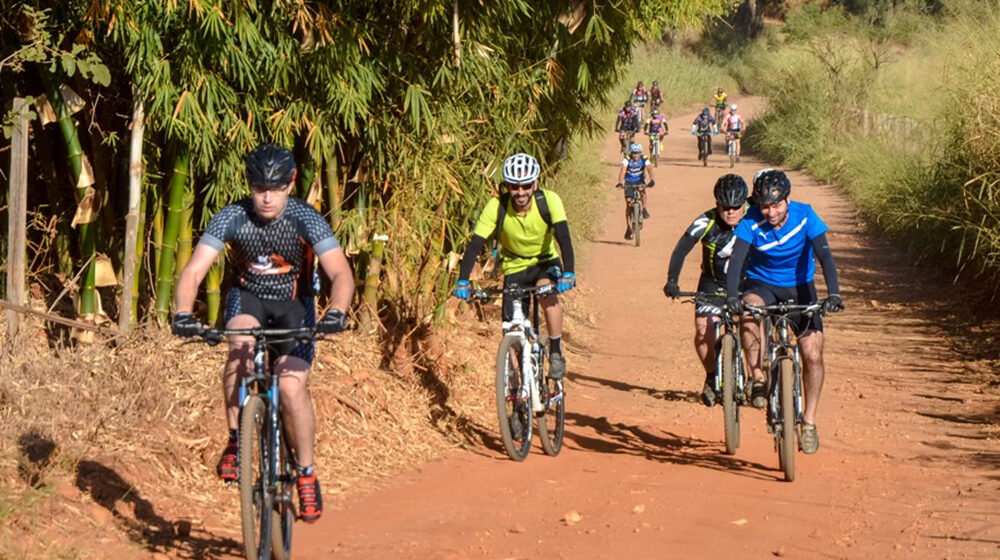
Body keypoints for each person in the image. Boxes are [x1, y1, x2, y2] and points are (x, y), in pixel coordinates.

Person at [171, 144, 355, 523]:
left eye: (274, 188)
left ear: (290, 184)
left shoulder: (306, 218)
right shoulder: (233, 216)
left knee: (290, 388)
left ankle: (305, 472)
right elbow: (193, 270)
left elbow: (340, 272)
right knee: (239, 346)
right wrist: (183, 312)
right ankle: (237, 440)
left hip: (294, 305)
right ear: (249, 185)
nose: (266, 197)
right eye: (258, 188)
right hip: (247, 299)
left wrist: (337, 310)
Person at [724, 169, 844, 454]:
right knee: (750, 311)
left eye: (776, 205)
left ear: (788, 200)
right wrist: (732, 296)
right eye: (765, 206)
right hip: (762, 284)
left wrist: (834, 293)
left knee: (813, 354)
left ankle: (809, 422)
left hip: (801, 288)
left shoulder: (806, 215)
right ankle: (756, 377)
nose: (771, 211)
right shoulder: (750, 221)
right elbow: (738, 259)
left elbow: (824, 254)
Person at [453, 153, 576, 379]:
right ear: (507, 187)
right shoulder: (496, 206)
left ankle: (556, 352)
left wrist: (568, 272)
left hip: (544, 262)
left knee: (545, 293)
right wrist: (462, 280)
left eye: (526, 185)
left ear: (535, 183)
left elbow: (564, 238)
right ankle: (517, 387)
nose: (521, 192)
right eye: (514, 187)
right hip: (514, 266)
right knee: (510, 327)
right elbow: (474, 244)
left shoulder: (549, 201)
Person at [663, 174, 748, 406]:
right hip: (712, 283)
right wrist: (672, 280)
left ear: (745, 204)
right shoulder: (706, 221)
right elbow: (681, 249)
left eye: (735, 207)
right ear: (716, 204)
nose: (730, 212)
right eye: (724, 207)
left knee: (755, 327)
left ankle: (758, 377)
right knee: (703, 332)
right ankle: (711, 376)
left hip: (747, 283)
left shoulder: (756, 218)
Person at [616, 142, 656, 239]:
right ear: (631, 153)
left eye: (637, 153)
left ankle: (644, 208)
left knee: (643, 192)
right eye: (634, 153)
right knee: (629, 203)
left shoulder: (644, 159)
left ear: (640, 153)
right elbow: (623, 171)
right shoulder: (627, 159)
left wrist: (652, 180)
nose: (635, 155)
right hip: (629, 182)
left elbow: (649, 168)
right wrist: (620, 182)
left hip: (639, 180)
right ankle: (629, 226)